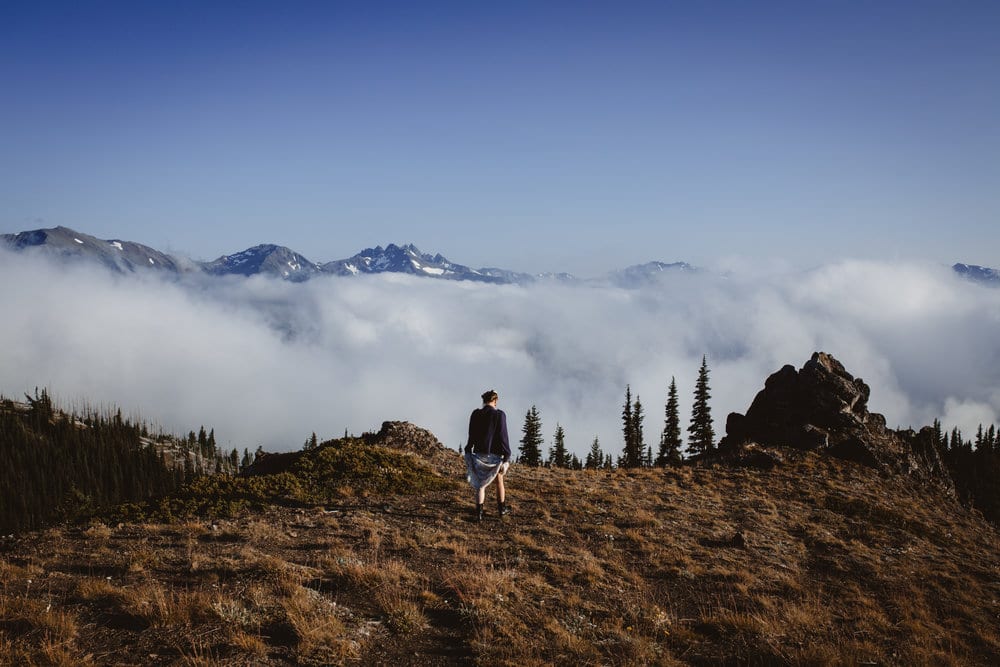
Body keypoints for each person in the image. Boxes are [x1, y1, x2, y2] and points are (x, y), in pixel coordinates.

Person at [464, 389, 511, 522]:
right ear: (495, 400)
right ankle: (502, 509)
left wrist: (468, 450)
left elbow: (471, 434)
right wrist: (506, 457)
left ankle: (479, 514)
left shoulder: (476, 414)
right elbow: (503, 437)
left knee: (480, 485)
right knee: (499, 481)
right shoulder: (499, 415)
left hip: (479, 454)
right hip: (495, 456)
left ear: (483, 400)